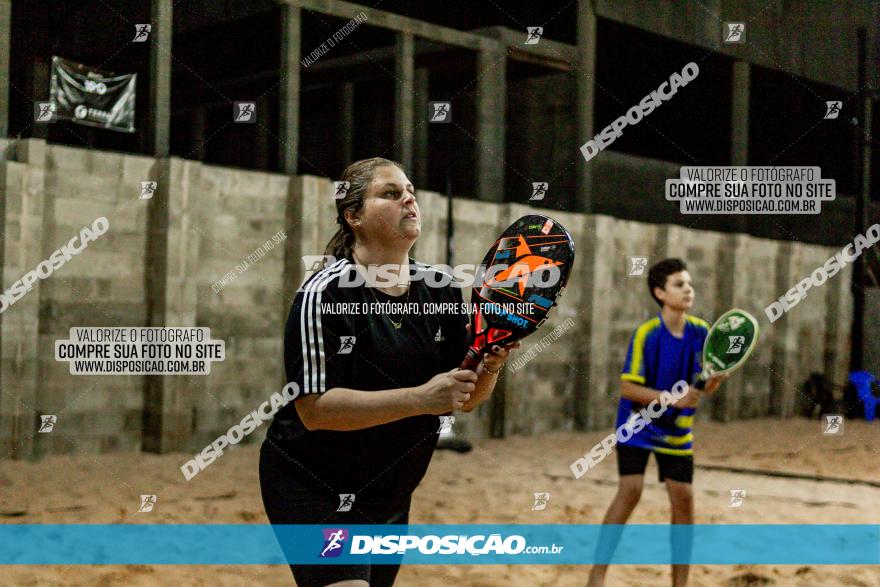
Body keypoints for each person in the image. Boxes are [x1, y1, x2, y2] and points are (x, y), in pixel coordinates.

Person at [260, 157, 519, 587]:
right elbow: (315, 408)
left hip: (389, 494)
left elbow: (466, 398)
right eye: (391, 193)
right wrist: (420, 399)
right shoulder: (324, 293)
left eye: (411, 191)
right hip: (313, 485)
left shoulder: (440, 291)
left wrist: (491, 365)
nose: (409, 199)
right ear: (353, 215)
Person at [587, 258, 727, 587]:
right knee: (630, 491)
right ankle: (596, 576)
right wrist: (670, 398)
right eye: (680, 284)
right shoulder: (647, 334)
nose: (688, 289)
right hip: (637, 426)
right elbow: (627, 388)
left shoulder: (702, 332)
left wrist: (717, 378)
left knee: (684, 499)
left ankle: (680, 583)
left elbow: (704, 386)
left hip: (677, 432)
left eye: (690, 283)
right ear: (660, 292)